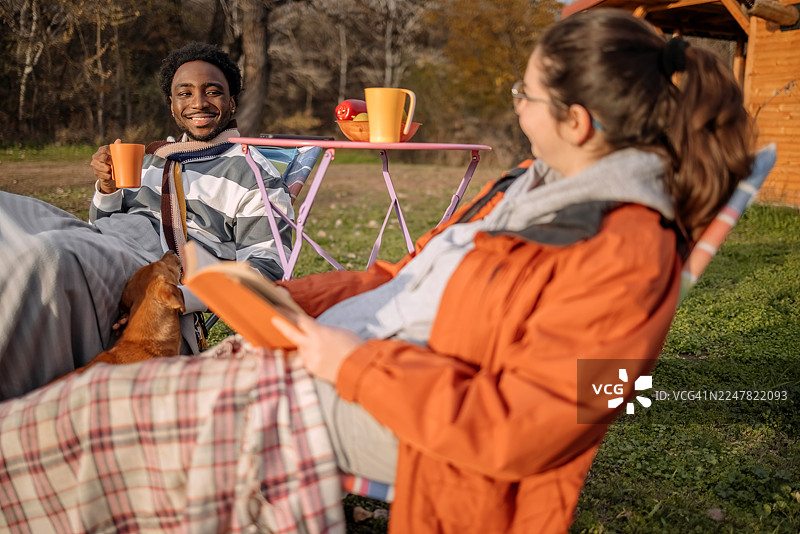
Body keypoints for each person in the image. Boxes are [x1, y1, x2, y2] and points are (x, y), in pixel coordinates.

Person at [0, 9, 755, 534]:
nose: (516, 106)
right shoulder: (531, 189)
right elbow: (404, 273)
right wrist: (277, 299)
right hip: (325, 357)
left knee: (82, 424)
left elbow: (532, 429)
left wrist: (348, 361)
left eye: (523, 94)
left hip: (369, 397)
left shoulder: (627, 251)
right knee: (84, 400)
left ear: (577, 122)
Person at [0, 42, 293, 400]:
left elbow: (267, 269)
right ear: (172, 105)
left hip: (150, 267)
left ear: (232, 102)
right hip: (102, 239)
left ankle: (19, 403)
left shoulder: (253, 175)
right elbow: (103, 223)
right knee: (7, 212)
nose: (198, 102)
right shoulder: (153, 158)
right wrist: (108, 189)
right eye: (185, 93)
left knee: (45, 254)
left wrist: (177, 296)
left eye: (213, 91)